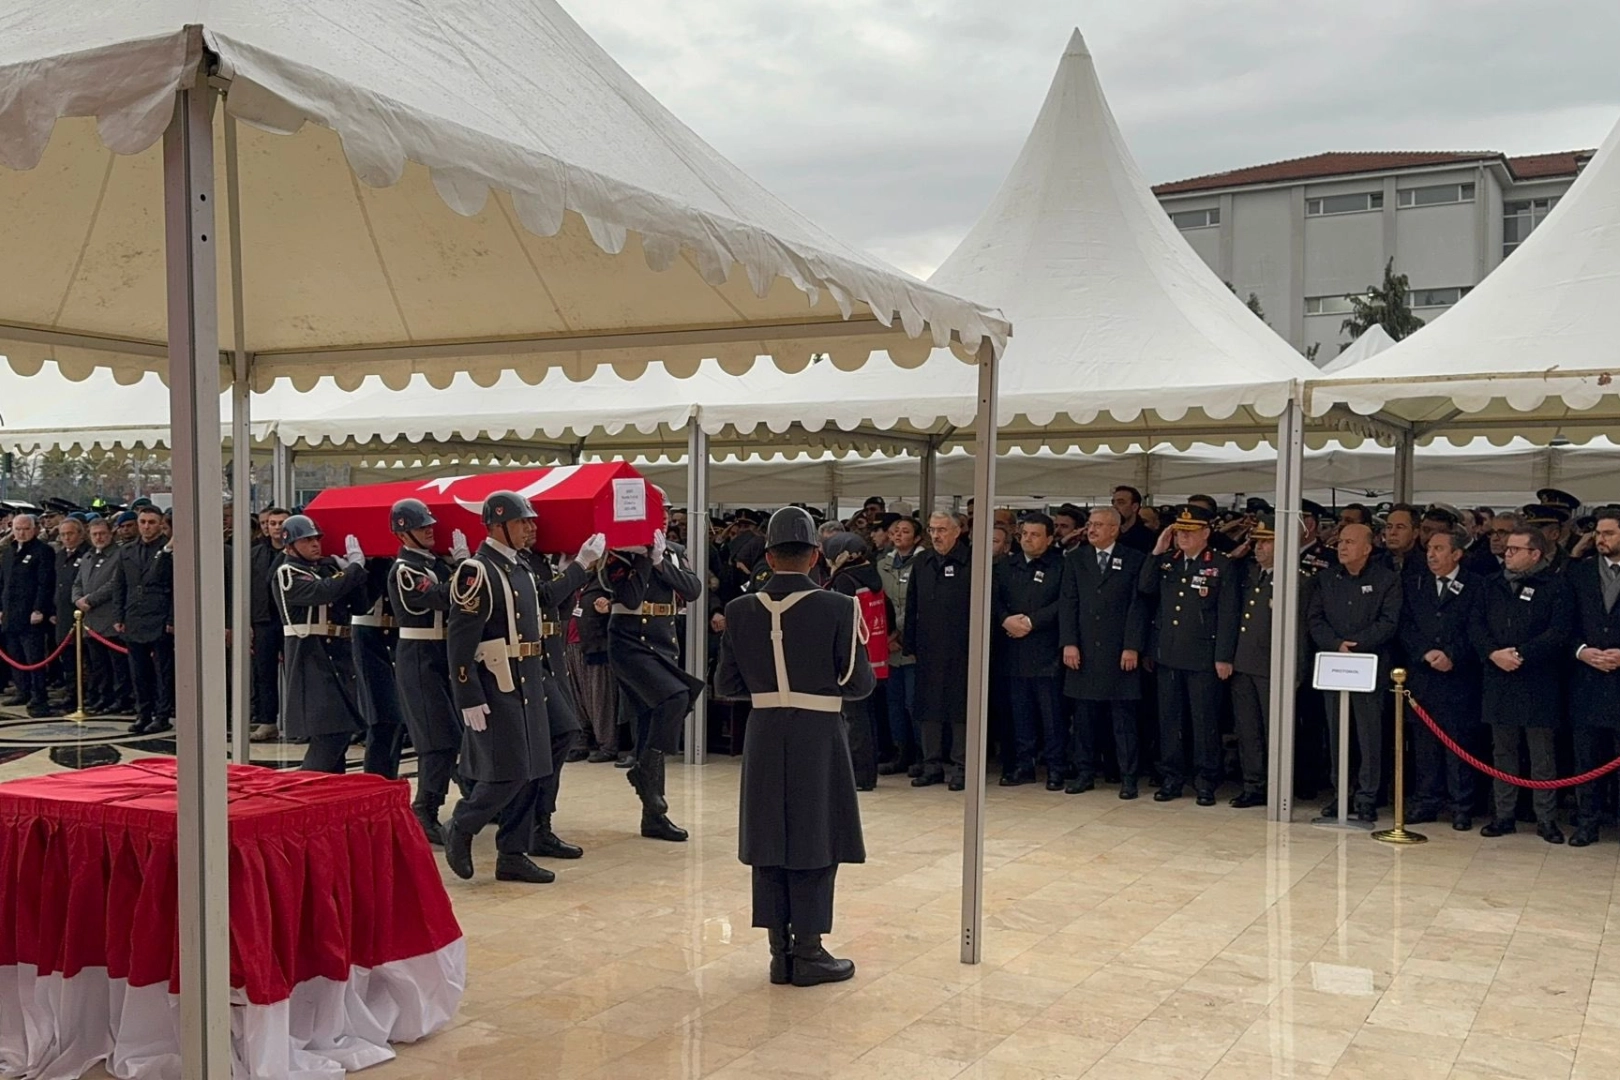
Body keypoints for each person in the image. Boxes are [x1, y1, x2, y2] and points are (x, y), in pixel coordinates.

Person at [716, 507, 874, 987]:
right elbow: (859, 683)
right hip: (818, 734)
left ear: (768, 557)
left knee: (769, 839)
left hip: (764, 731)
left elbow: (727, 684)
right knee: (816, 837)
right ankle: (809, 951)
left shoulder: (739, 610)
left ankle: (778, 954)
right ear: (815, 556)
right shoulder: (839, 607)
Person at [443, 492, 559, 884]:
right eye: (522, 521)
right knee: (509, 770)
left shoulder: (519, 565)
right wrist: (468, 695)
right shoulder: (477, 571)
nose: (530, 527)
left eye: (529, 520)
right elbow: (460, 641)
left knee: (533, 770)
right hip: (497, 683)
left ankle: (513, 853)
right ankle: (462, 824)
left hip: (527, 677)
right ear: (497, 525)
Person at [603, 524, 705, 842]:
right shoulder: (620, 553)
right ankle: (645, 772)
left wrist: (661, 561)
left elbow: (693, 589)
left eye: (664, 515)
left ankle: (653, 815)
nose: (661, 521)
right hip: (630, 642)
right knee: (676, 697)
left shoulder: (672, 551)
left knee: (651, 723)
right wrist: (645, 559)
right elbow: (631, 597)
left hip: (662, 641)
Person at [1471, 526, 1571, 843]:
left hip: (1538, 679)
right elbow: (1476, 625)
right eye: (1507, 549)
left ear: (1535, 554)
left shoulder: (1555, 586)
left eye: (1515, 549)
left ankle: (1546, 818)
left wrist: (1521, 654)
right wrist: (1492, 653)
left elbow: (1558, 632)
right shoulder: (1491, 585)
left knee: (1542, 755)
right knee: (1503, 751)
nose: (1507, 554)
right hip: (1498, 676)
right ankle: (1504, 815)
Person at [1139, 505, 1239, 804]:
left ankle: (1206, 780)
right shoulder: (1168, 562)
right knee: (1170, 720)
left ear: (1206, 533)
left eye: (1189, 531)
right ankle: (1172, 777)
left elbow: (1228, 613)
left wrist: (1223, 656)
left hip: (1202, 656)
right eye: (1179, 531)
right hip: (1168, 653)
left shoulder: (1220, 564)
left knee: (1203, 721)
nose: (1182, 536)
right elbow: (1145, 588)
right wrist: (1157, 550)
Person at [1306, 523, 1401, 823]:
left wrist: (1357, 644)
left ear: (1367, 548)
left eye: (1349, 542)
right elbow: (1315, 618)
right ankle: (1341, 792)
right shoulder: (1327, 578)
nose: (1342, 547)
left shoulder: (1386, 580)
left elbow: (1389, 622)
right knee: (1337, 731)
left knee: (1369, 734)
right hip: (1334, 664)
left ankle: (1367, 796)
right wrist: (1335, 644)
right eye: (1340, 542)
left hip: (1369, 666)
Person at [385, 499, 464, 845]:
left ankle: (471, 799)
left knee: (454, 736)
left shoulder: (434, 564)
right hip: (419, 658)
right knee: (436, 740)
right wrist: (467, 566)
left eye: (430, 524)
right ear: (403, 534)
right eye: (421, 527)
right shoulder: (405, 570)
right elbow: (440, 597)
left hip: (439, 655)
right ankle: (424, 810)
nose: (430, 530)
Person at [522, 534, 606, 860]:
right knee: (554, 736)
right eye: (523, 523)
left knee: (562, 734)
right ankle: (477, 819)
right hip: (528, 660)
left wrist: (568, 572)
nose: (530, 529)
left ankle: (539, 824)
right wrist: (578, 567)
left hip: (550, 655)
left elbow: (562, 608)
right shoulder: (518, 561)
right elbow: (544, 597)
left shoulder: (540, 561)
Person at [1060, 507, 1148, 798]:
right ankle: (1084, 773)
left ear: (1114, 529)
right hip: (1084, 649)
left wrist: (1132, 645)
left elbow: (1137, 606)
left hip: (1118, 650)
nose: (1092, 529)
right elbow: (1068, 602)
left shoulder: (1134, 559)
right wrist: (1069, 642)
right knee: (1084, 720)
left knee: (1123, 720)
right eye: (1090, 524)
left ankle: (1128, 777)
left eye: (1099, 525)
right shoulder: (1076, 558)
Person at [1398, 526, 1483, 831]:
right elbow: (1406, 625)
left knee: (1458, 744)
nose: (1431, 555)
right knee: (1424, 745)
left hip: (1458, 677)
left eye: (1439, 549)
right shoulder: (1415, 582)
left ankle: (1461, 805)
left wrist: (1452, 655)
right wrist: (1424, 652)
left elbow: (1477, 629)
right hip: (1423, 677)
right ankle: (1427, 800)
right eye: (1429, 549)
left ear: (1457, 553)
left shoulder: (1476, 585)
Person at [275, 514, 369, 772]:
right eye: (307, 540)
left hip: (337, 655)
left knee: (340, 730)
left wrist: (356, 574)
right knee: (331, 733)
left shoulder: (325, 570)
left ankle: (327, 791)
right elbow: (322, 592)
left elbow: (360, 606)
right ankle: (307, 788)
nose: (315, 544)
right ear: (290, 545)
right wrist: (352, 570)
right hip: (310, 655)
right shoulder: (288, 573)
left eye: (317, 538)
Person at [991, 513, 1064, 787]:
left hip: (1046, 651)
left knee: (1051, 715)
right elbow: (993, 599)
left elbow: (1065, 602)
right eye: (1024, 534)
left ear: (1049, 538)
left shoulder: (1061, 566)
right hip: (1012, 650)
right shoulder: (1004, 566)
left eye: (1035, 535)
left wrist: (1033, 622)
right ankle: (1024, 765)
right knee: (1019, 714)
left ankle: (1056, 768)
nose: (1028, 539)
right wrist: (1004, 619)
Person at [905, 511, 974, 790]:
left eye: (942, 530)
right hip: (928, 647)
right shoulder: (922, 561)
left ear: (957, 532)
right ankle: (931, 764)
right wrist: (910, 642)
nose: (936, 535)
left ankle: (962, 766)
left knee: (960, 708)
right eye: (932, 530)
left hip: (962, 648)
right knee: (928, 707)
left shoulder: (972, 561)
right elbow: (912, 603)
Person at [1567, 507, 1620, 847]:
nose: (1601, 539)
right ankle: (1587, 821)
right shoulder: (1581, 573)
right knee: (1587, 758)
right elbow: (1563, 622)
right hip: (1587, 680)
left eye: (1609, 533)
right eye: (1598, 533)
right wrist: (1581, 650)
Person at [824, 532, 889, 792]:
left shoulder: (845, 580)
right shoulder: (872, 576)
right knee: (867, 716)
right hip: (876, 655)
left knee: (853, 717)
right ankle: (868, 772)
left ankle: (858, 776)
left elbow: (838, 619)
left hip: (852, 656)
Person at [1228, 515, 1279, 808]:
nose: (1259, 547)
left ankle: (1277, 785)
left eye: (1267, 541)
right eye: (1257, 542)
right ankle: (1253, 784)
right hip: (1244, 662)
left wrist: (1296, 672)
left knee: (1274, 732)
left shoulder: (1298, 579)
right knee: (1248, 730)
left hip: (1273, 666)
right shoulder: (1247, 572)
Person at [117, 507, 174, 734]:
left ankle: (162, 715)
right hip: (134, 615)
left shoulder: (168, 548)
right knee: (138, 671)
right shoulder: (127, 550)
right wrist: (119, 615)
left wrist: (172, 618)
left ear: (160, 524)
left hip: (159, 614)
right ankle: (143, 713)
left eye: (151, 522)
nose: (146, 526)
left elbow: (175, 587)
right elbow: (120, 584)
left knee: (162, 671)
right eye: (143, 522)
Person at [876, 516, 921, 776]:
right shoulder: (882, 564)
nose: (899, 535)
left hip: (912, 643)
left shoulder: (923, 563)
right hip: (888, 644)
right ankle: (900, 752)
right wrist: (887, 635)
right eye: (895, 531)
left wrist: (899, 634)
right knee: (894, 702)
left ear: (917, 537)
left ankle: (920, 754)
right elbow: (879, 601)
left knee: (913, 702)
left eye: (905, 531)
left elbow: (918, 604)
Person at [0, 514, 56, 716]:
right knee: (15, 655)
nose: (21, 533)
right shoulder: (9, 551)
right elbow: (3, 582)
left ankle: (38, 694)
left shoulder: (43, 551)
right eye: (18, 529)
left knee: (34, 657)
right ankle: (22, 690)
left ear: (34, 529)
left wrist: (39, 608)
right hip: (10, 613)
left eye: (25, 529)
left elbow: (45, 583)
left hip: (31, 614)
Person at [73, 518, 128, 713]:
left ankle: (121, 699)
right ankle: (103, 697)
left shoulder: (119, 554)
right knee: (98, 664)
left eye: (102, 533)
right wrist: (77, 599)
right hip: (90, 621)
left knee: (116, 664)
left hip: (109, 617)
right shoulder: (88, 556)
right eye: (95, 534)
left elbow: (115, 583)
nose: (99, 537)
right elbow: (77, 583)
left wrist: (91, 599)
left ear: (111, 533)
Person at [249, 507, 291, 742]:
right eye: (272, 523)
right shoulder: (255, 553)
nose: (276, 527)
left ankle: (297, 722)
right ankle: (267, 721)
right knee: (264, 673)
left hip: (290, 620)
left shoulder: (296, 552)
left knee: (294, 672)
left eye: (281, 523)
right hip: (263, 620)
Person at [49, 516, 90, 710]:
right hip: (63, 613)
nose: (66, 538)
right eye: (63, 534)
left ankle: (87, 694)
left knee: (85, 658)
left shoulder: (87, 554)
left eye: (70, 534)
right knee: (67, 657)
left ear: (80, 534)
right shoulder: (59, 556)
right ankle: (72, 692)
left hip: (82, 614)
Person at [1111, 487, 1156, 554]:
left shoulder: (1149, 538)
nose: (1114, 507)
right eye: (1113, 503)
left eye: (1121, 503)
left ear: (1134, 507)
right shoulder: (1108, 534)